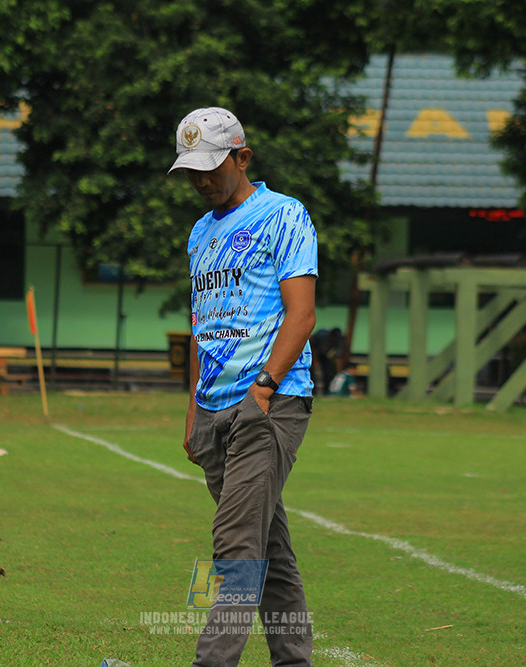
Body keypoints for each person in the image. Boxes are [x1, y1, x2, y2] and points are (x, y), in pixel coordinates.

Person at [169, 107, 317, 667]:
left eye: (211, 166)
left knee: (233, 548)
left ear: (242, 157)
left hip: (268, 403)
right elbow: (200, 326)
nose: (201, 179)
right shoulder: (198, 234)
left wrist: (264, 388)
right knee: (268, 549)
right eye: (191, 170)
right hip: (211, 413)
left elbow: (300, 315)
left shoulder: (284, 215)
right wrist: (192, 412)